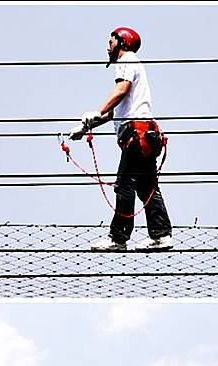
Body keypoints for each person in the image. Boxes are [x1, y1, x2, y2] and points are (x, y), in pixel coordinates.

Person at [69, 26, 173, 252]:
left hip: (136, 135)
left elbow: (121, 91)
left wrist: (98, 109)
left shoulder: (127, 61)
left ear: (122, 43)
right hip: (145, 135)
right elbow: (115, 112)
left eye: (111, 42)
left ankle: (118, 238)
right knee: (147, 187)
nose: (108, 46)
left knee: (124, 185)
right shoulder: (135, 65)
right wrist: (86, 126)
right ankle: (161, 234)